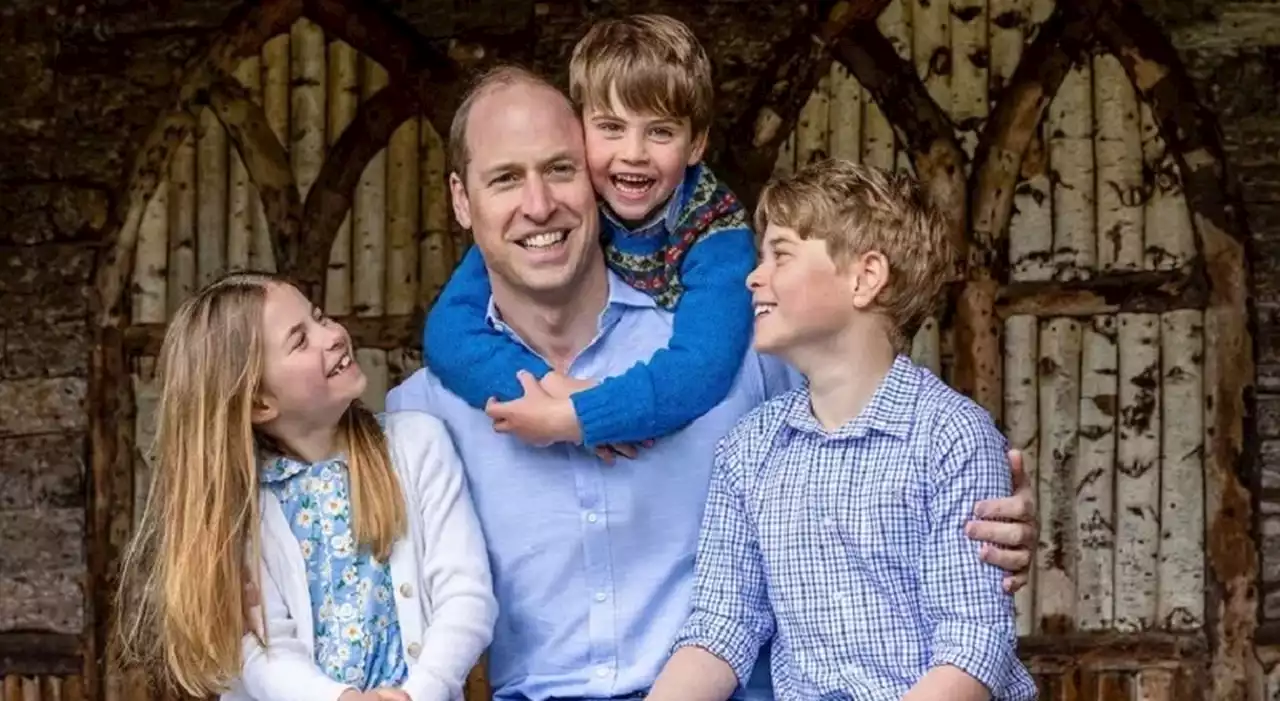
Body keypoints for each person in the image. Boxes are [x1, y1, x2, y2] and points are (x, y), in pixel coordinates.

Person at [386, 66, 1039, 701]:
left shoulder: (739, 352)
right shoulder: (423, 416)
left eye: (561, 169)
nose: (538, 204)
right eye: (505, 179)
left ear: (595, 176)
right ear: (461, 201)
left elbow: (874, 435)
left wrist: (984, 519)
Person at [646, 160, 1039, 701]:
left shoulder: (951, 437)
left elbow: (972, 644)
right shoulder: (749, 448)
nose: (753, 277)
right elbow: (721, 626)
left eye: (780, 254)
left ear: (864, 277)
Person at [115, 272, 497, 701]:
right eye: (300, 340)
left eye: (320, 317)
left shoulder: (417, 446)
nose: (333, 335)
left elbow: (466, 595)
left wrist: (420, 693)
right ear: (260, 402)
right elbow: (262, 649)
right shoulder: (239, 508)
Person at [421, 14, 756, 454]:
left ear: (695, 145)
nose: (632, 154)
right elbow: (448, 332)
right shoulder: (576, 202)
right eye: (611, 128)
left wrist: (588, 416)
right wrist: (546, 391)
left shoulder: (718, 233)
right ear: (579, 130)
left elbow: (703, 367)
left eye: (660, 132)